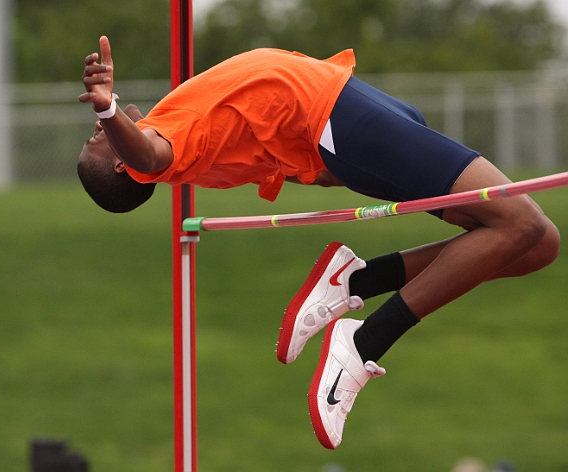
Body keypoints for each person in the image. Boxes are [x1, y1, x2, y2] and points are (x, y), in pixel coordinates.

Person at [78, 36, 560, 450]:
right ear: (124, 164)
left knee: (539, 245)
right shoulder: (160, 149)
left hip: (343, 107)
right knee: (521, 226)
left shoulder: (179, 131)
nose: (96, 133)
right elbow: (148, 154)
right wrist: (109, 108)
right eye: (96, 144)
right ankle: (364, 342)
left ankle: (354, 279)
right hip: (341, 118)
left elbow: (281, 158)